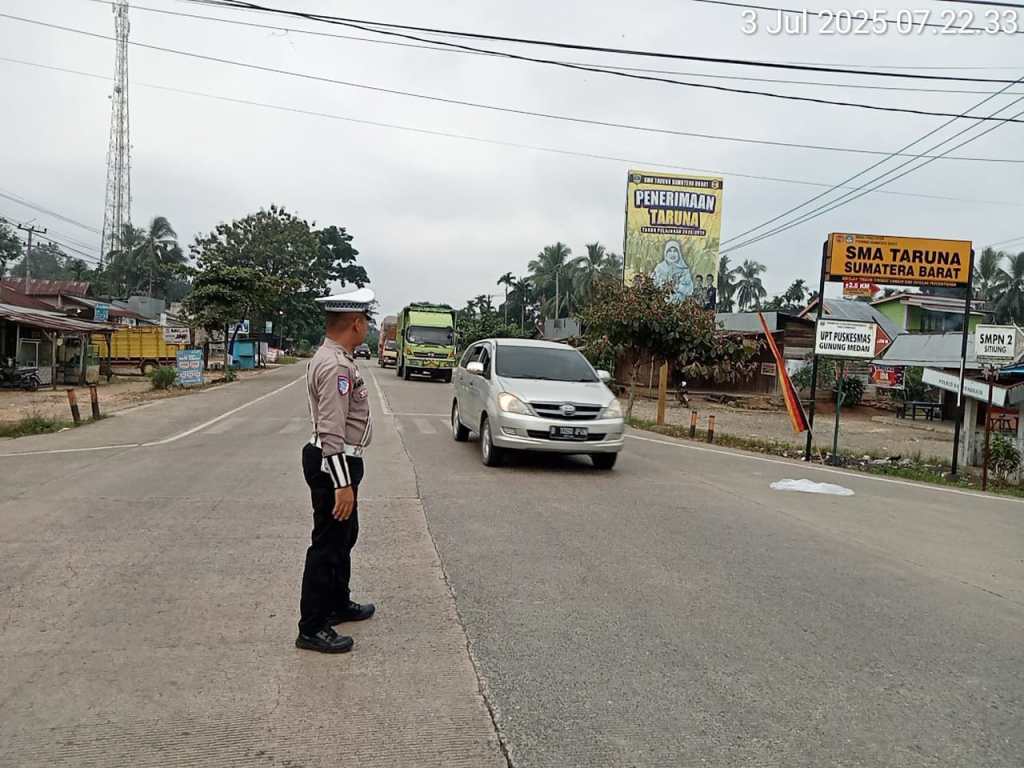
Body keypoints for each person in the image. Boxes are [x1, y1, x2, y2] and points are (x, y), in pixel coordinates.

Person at [296, 287, 377, 654]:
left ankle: (337, 603)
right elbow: (331, 429)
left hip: (339, 461)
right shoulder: (336, 366)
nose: (367, 328)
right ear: (356, 324)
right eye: (366, 321)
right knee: (327, 546)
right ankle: (312, 627)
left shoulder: (336, 357)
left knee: (345, 537)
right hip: (333, 463)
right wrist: (342, 484)